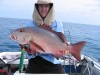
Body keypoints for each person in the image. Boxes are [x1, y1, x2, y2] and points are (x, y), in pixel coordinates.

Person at [20, 0, 70, 74]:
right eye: (41, 6)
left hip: (54, 62)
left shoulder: (58, 23)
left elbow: (61, 40)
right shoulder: (29, 25)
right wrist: (27, 48)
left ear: (50, 8)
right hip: (35, 62)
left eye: (46, 6)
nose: (43, 9)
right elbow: (25, 47)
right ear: (37, 7)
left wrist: (65, 48)